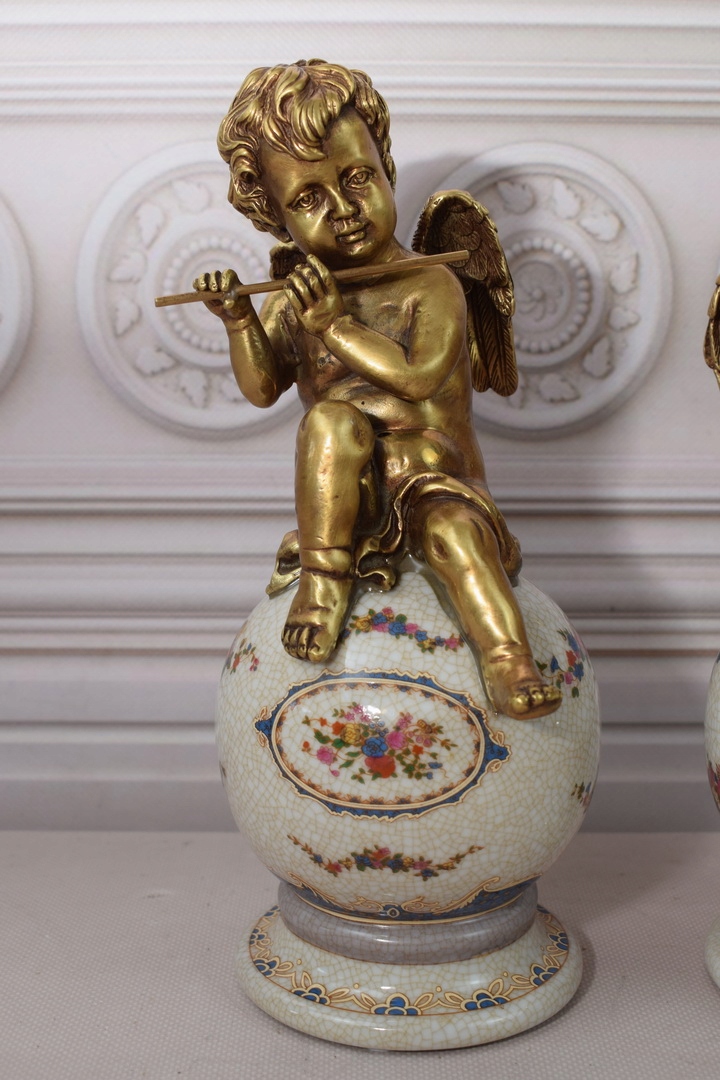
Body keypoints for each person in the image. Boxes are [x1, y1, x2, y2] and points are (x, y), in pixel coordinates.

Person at [194, 59, 561, 721]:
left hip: (436, 478)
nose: (342, 210)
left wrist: (333, 326)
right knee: (330, 422)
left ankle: (507, 657)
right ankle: (324, 579)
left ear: (385, 166)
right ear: (275, 218)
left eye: (356, 177)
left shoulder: (430, 283)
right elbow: (263, 386)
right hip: (344, 495)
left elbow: (419, 377)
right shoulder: (297, 293)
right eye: (307, 200)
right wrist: (240, 321)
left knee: (456, 538)